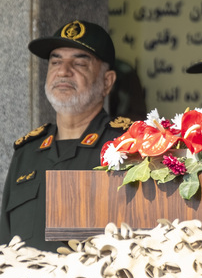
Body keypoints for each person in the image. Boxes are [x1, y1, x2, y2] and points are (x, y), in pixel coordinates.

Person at [0, 20, 132, 251]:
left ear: (107, 82)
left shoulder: (129, 145)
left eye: (79, 63)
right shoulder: (26, 152)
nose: (63, 71)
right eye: (56, 61)